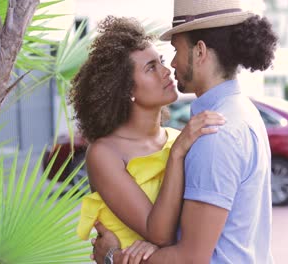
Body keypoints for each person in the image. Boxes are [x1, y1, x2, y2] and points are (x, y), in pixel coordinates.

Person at [92, 0, 278, 263]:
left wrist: (112, 257)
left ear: (199, 51)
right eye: (151, 66)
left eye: (175, 51)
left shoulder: (214, 134)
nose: (172, 66)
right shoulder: (240, 113)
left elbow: (189, 258)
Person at [69, 15, 225, 258]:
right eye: (151, 67)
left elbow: (187, 230)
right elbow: (159, 233)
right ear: (127, 89)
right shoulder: (104, 153)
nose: (167, 71)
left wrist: (154, 246)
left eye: (161, 61)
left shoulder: (178, 139)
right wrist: (175, 155)